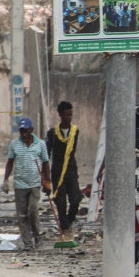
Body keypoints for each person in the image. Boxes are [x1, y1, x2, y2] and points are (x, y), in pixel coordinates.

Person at [2, 117, 51, 251]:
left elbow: (46, 163)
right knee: (22, 215)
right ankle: (27, 243)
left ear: (31, 130)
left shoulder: (40, 144)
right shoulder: (14, 144)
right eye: (21, 131)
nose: (23, 134)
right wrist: (6, 180)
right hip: (20, 184)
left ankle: (37, 236)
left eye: (26, 131)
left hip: (35, 183)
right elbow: (10, 162)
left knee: (32, 211)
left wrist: (47, 182)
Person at [47, 101, 82, 242]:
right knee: (60, 203)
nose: (69, 117)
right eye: (66, 115)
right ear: (60, 115)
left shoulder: (75, 131)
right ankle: (65, 231)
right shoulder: (53, 133)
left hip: (71, 170)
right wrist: (46, 176)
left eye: (71, 114)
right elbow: (47, 153)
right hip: (57, 171)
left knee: (75, 199)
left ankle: (67, 223)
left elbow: (71, 152)